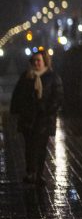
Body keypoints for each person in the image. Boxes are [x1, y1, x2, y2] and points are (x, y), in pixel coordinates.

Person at [10, 48, 64, 185]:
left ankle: (39, 174)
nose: (36, 63)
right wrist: (17, 110)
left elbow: (57, 97)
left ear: (44, 61)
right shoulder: (26, 76)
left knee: (40, 147)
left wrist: (47, 109)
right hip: (28, 118)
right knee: (29, 146)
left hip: (44, 119)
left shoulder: (52, 77)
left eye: (38, 60)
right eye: (34, 61)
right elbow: (18, 94)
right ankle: (30, 172)